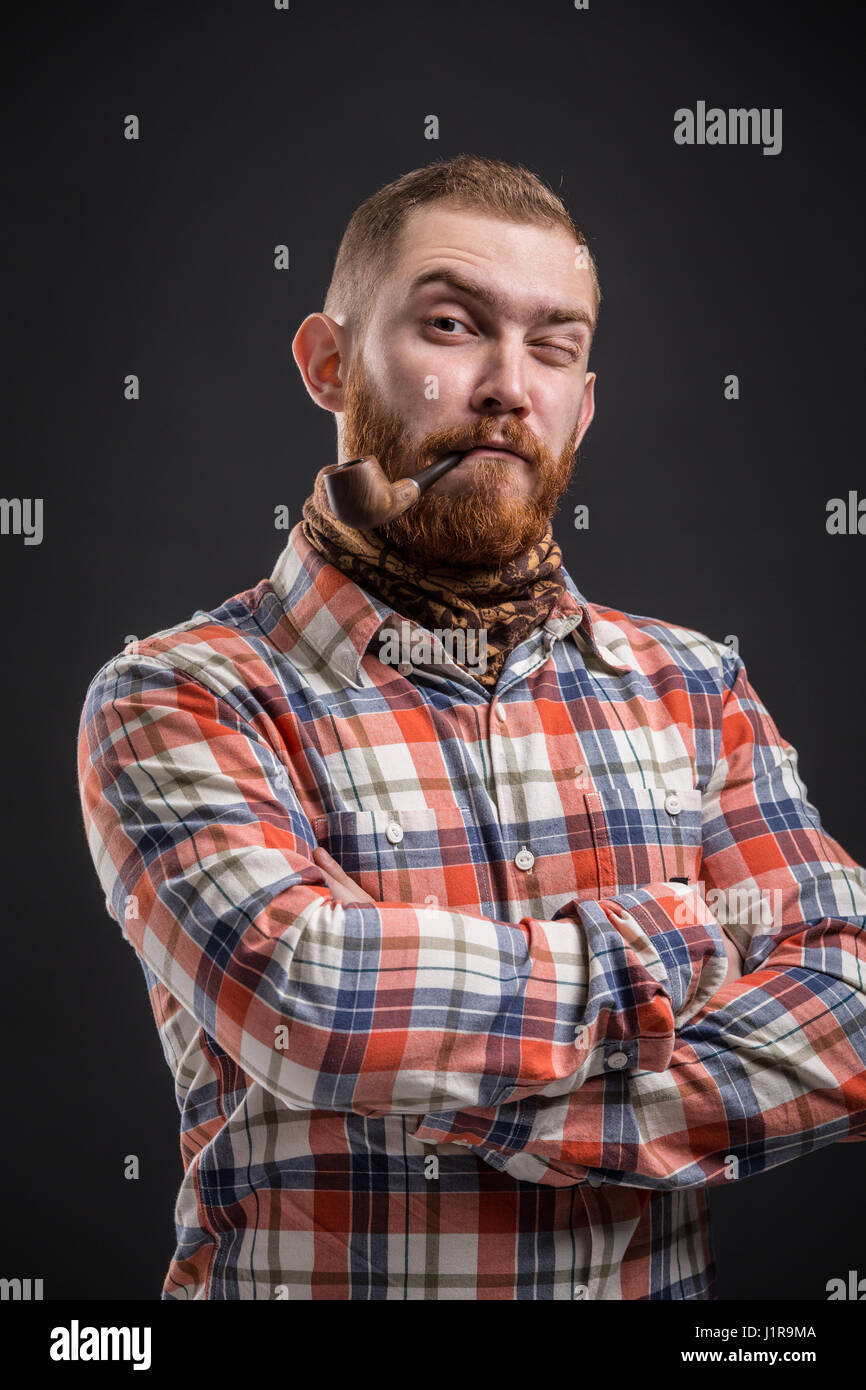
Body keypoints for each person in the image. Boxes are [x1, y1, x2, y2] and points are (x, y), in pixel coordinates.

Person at [77, 154, 866, 1300]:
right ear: (328, 362)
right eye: (451, 325)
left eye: (554, 345)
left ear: (581, 401)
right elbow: (314, 996)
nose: (507, 383)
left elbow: (847, 1002)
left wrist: (505, 1114)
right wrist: (679, 936)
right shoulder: (182, 692)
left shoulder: (694, 685)